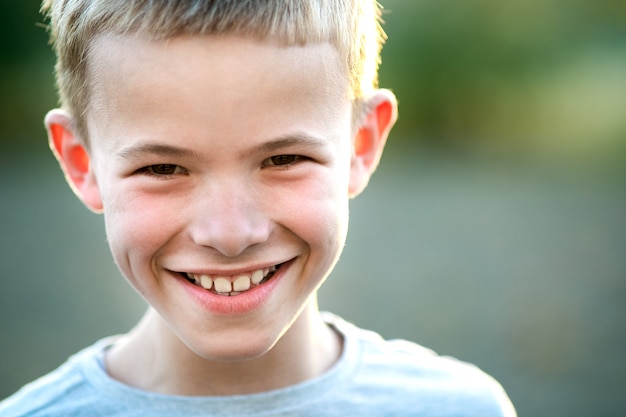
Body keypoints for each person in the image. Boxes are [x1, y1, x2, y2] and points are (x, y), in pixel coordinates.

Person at [0, 1, 516, 415]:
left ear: (362, 144)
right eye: (162, 169)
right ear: (81, 162)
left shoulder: (460, 407)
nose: (229, 234)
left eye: (284, 159)